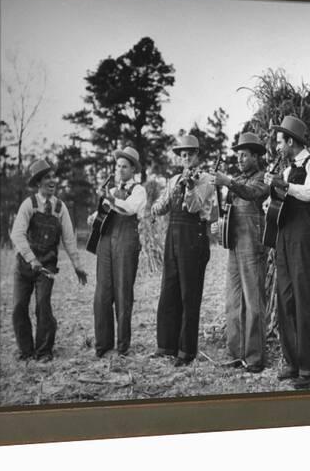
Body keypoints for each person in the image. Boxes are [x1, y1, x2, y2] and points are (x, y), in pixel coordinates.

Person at [264, 115, 310, 389]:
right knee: (286, 298)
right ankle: (292, 362)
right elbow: (277, 201)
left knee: (306, 298)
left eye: (280, 142)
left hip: (304, 235)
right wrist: (270, 199)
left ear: (290, 141)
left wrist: (284, 186)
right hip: (284, 236)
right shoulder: (288, 168)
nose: (278, 147)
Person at [10, 159, 88, 362]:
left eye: (53, 177)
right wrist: (31, 259)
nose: (52, 181)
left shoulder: (60, 208)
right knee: (19, 306)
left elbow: (69, 239)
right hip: (24, 266)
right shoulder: (29, 204)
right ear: (38, 183)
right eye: (47, 178)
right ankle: (26, 350)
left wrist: (77, 266)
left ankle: (44, 350)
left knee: (42, 305)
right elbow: (17, 235)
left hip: (48, 266)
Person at [151, 134, 215, 367]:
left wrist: (188, 188)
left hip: (193, 238)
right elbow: (160, 208)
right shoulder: (174, 179)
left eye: (190, 154)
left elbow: (195, 205)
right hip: (173, 238)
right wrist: (158, 203)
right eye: (183, 155)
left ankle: (186, 350)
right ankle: (166, 345)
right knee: (169, 289)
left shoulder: (206, 179)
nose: (186, 158)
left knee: (190, 294)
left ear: (198, 155)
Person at [211, 132, 269, 373]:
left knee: (253, 301)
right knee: (233, 301)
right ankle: (236, 354)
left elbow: (253, 194)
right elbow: (229, 211)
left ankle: (255, 358)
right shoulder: (236, 180)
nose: (240, 159)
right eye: (238, 155)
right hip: (235, 244)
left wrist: (228, 183)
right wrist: (219, 225)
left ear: (256, 157)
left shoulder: (263, 178)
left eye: (244, 155)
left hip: (253, 245)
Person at [88, 147, 147, 358]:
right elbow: (102, 213)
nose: (120, 170)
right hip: (106, 243)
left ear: (133, 169)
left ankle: (122, 347)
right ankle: (103, 345)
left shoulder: (139, 191)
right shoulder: (111, 191)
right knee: (102, 293)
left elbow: (128, 209)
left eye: (124, 166)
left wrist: (110, 201)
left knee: (123, 293)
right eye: (117, 166)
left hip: (126, 242)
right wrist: (93, 217)